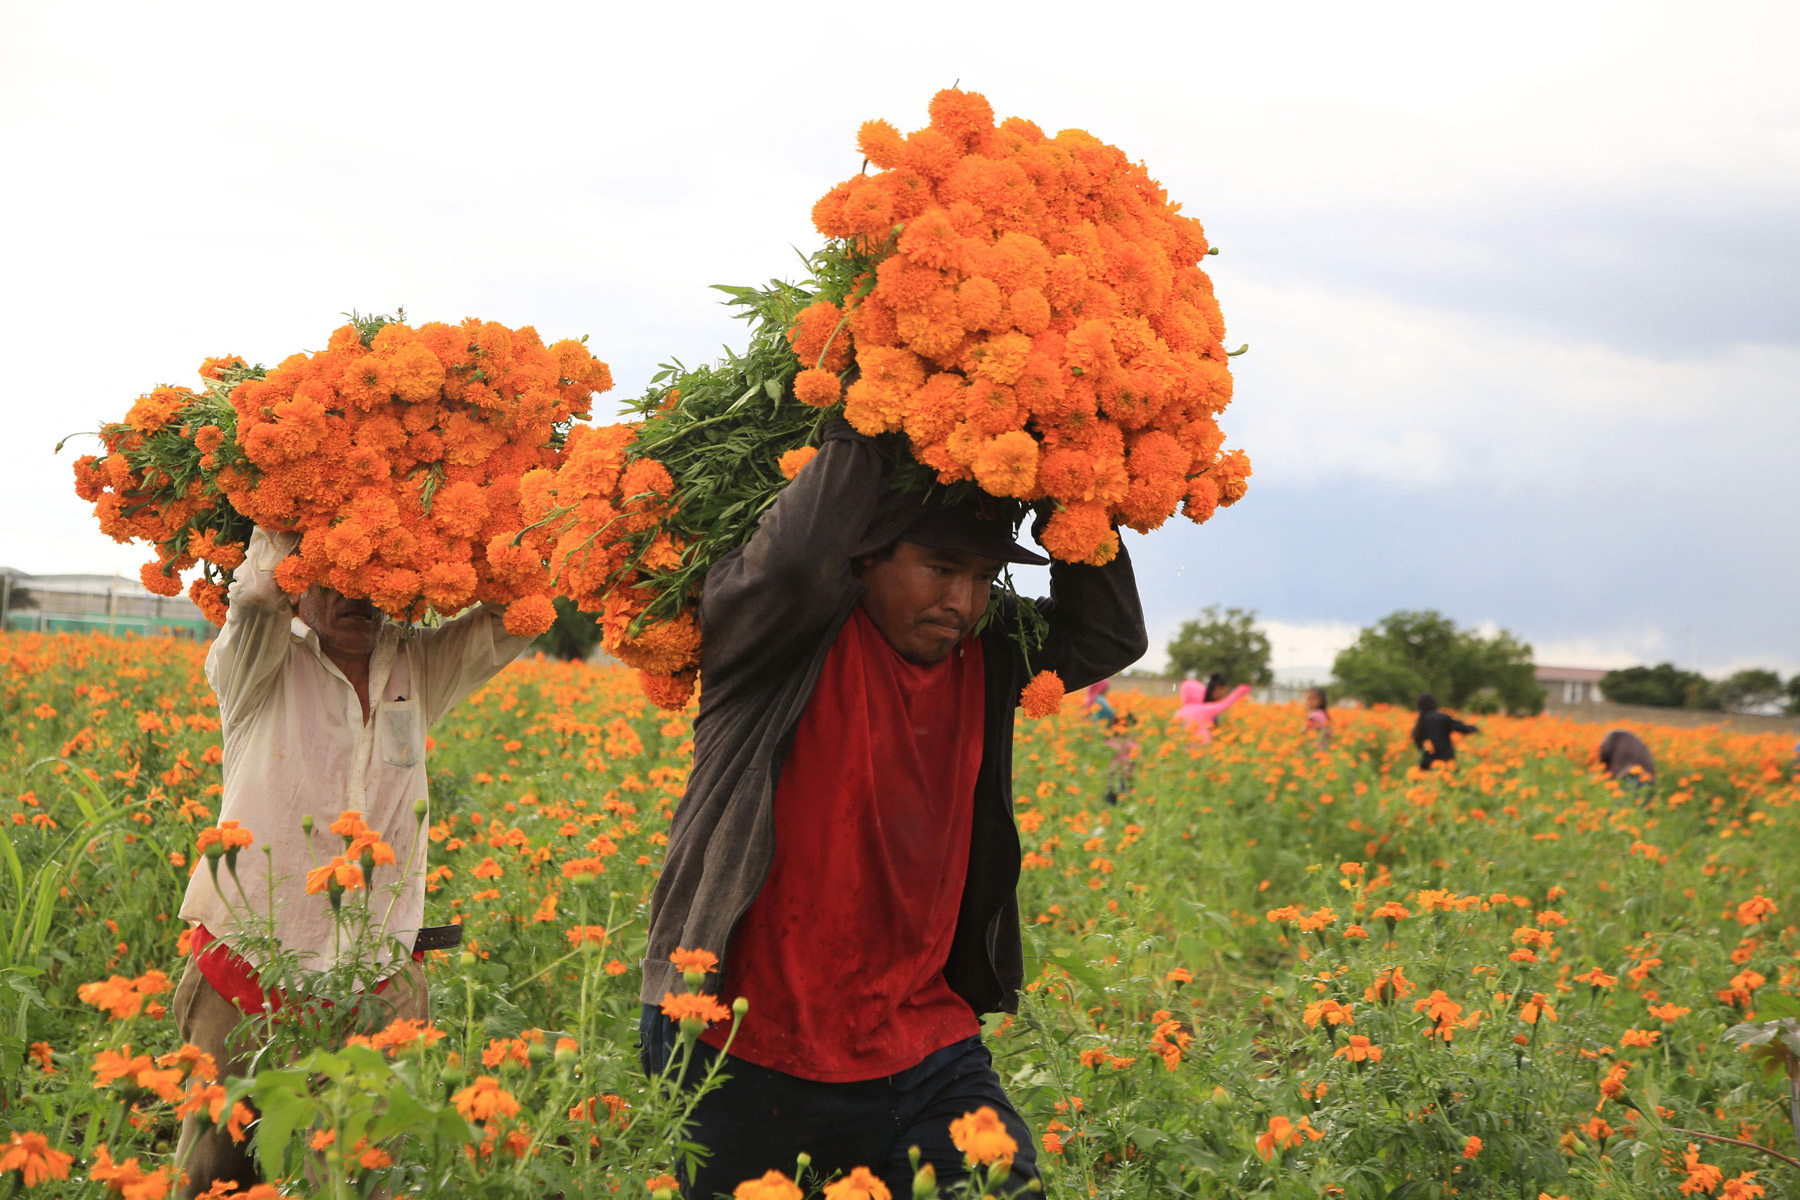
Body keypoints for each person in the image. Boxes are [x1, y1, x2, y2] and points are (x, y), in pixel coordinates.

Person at [637, 420, 1146, 1197]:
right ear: (864, 557)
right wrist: (874, 417)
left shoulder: (990, 654)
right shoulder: (775, 640)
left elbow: (1109, 632)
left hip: (921, 1039)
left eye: (981, 578)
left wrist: (1069, 493)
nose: (961, 600)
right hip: (742, 1039)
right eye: (939, 568)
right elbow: (795, 564)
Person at [173, 528, 532, 1197]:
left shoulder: (417, 667)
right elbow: (253, 594)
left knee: (352, 1181)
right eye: (336, 574)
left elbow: (517, 617)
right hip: (247, 973)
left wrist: (477, 542)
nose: (357, 594)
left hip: (377, 977)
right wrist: (295, 499)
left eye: (377, 575)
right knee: (211, 1180)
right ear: (301, 579)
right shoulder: (259, 661)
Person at [1173, 672, 1251, 743]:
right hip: (1201, 747)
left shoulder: (1179, 711)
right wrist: (1239, 691)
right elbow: (1224, 704)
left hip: (1184, 745)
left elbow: (1175, 731)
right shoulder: (1203, 709)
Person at [1412, 693, 1477, 770]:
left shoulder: (1419, 723)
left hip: (1427, 764)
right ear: (1434, 704)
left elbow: (1420, 746)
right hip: (1446, 762)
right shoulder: (1443, 718)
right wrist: (1475, 728)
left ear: (1419, 706)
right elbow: (1462, 728)